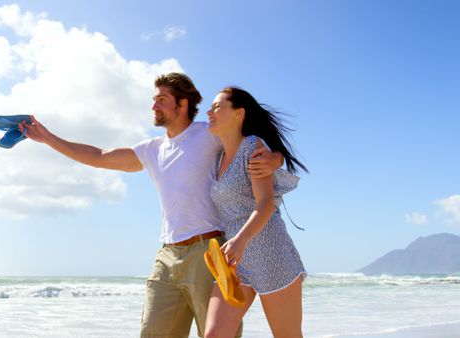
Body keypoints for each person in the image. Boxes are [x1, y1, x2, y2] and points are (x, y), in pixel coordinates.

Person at [18, 73, 283, 338]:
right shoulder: (152, 149)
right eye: (154, 100)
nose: (154, 106)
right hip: (166, 257)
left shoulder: (208, 133)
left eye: (162, 100)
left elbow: (252, 142)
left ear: (182, 105)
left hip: (209, 251)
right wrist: (48, 138)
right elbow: (98, 156)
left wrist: (276, 158)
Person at [203, 87, 308, 338]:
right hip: (235, 261)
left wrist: (240, 241)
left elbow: (265, 204)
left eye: (217, 107)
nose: (209, 111)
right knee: (214, 335)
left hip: (270, 252)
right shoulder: (218, 157)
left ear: (239, 113)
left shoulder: (252, 146)